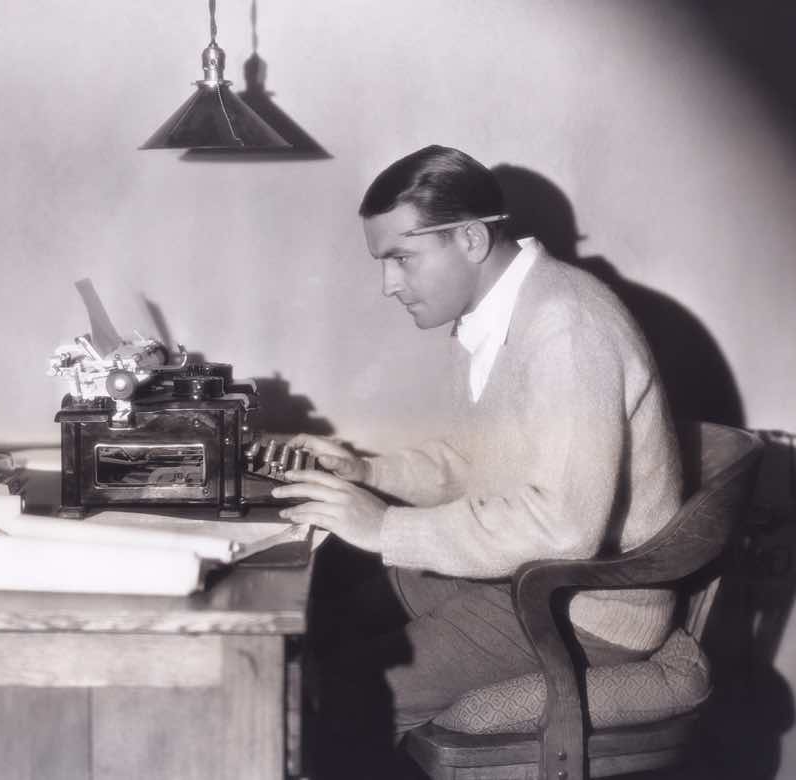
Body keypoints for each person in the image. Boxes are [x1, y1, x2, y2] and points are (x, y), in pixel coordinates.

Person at [270, 145, 683, 777]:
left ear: (468, 238)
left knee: (338, 690)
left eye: (401, 258)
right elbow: (476, 459)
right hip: (519, 580)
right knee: (317, 619)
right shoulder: (506, 312)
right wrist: (367, 474)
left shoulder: (565, 325)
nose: (388, 285)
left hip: (584, 605)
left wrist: (382, 528)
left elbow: (563, 530)